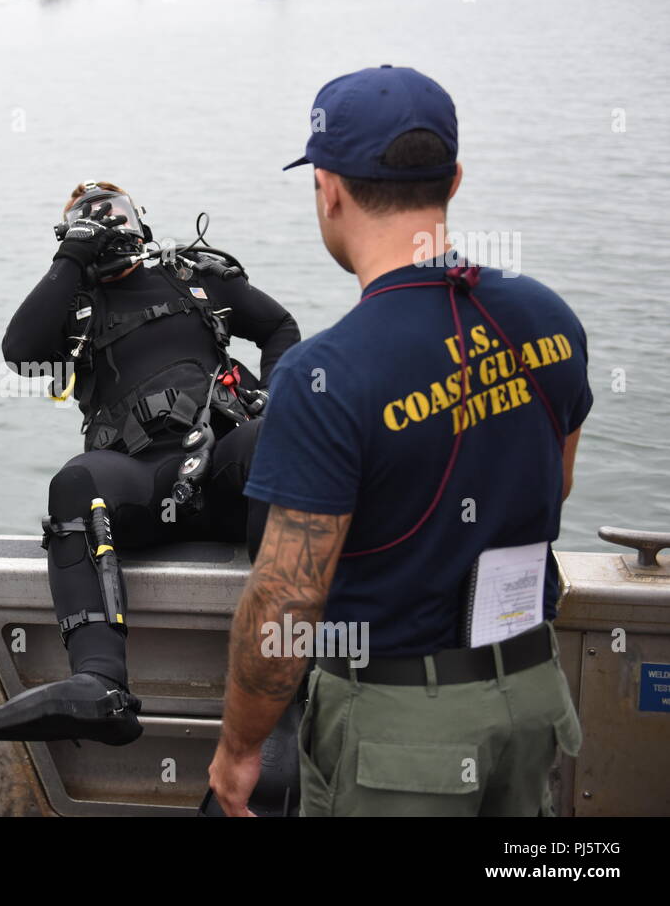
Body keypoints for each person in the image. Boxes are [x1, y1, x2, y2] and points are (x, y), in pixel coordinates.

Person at [207, 66, 589, 817]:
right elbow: (557, 483)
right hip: (534, 701)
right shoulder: (549, 316)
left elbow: (286, 599)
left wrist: (240, 748)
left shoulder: (325, 373)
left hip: (404, 739)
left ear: (329, 189)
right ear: (453, 178)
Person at [0, 180, 299, 781]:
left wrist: (278, 396)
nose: (105, 222)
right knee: (76, 482)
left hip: (225, 466)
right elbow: (21, 352)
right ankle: (100, 684)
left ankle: (287, 665)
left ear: (141, 221)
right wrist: (72, 259)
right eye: (87, 219)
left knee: (283, 437)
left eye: (116, 213)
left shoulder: (195, 279)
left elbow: (279, 326)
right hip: (141, 483)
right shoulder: (76, 307)